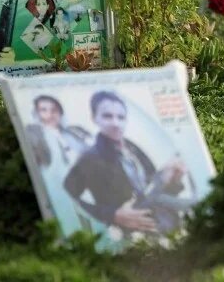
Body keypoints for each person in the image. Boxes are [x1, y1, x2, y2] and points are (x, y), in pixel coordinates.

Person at [63, 91, 195, 238]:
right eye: (107, 116)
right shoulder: (89, 159)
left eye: (121, 117)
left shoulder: (134, 149)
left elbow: (152, 193)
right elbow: (67, 199)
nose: (115, 123)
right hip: (134, 238)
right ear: (94, 118)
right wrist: (112, 215)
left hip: (167, 226)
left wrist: (173, 181)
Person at [24, 95, 88, 233]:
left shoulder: (74, 132)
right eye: (44, 110)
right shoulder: (35, 134)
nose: (50, 114)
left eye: (54, 110)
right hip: (59, 188)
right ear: (37, 113)